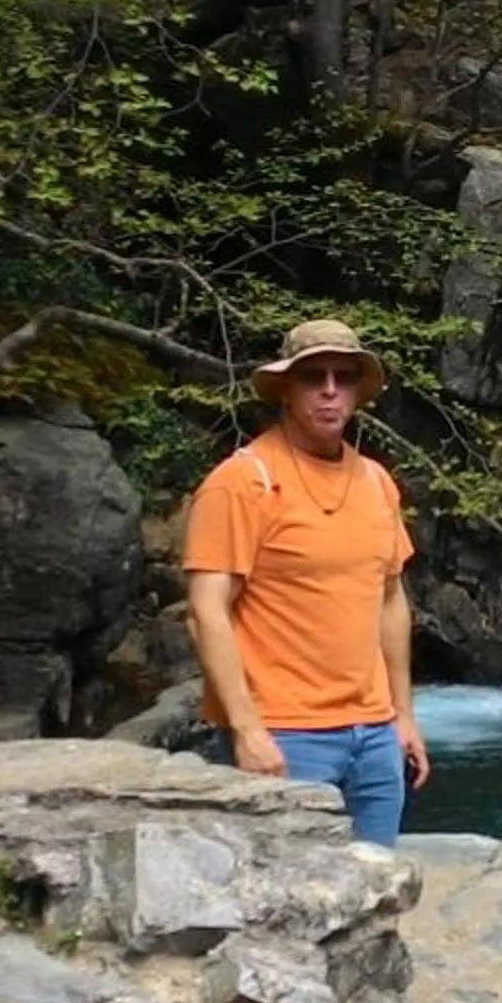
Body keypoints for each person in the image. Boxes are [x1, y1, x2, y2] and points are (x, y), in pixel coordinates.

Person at [181, 318, 428, 845]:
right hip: (286, 734)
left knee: (376, 888)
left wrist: (403, 717)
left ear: (359, 391)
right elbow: (206, 611)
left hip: (375, 735)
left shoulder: (376, 483)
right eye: (314, 377)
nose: (330, 391)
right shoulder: (242, 482)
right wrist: (247, 730)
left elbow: (390, 599)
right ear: (287, 390)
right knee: (286, 901)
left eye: (344, 377)